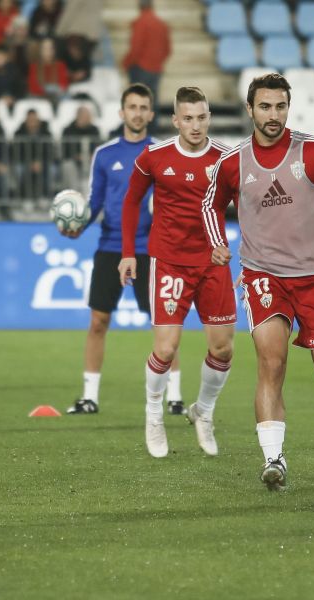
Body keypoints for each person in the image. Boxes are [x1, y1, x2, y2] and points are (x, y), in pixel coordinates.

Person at [201, 73, 314, 491]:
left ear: (288, 107)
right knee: (272, 362)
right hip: (262, 275)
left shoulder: (313, 151)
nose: (273, 115)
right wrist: (218, 244)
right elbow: (210, 205)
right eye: (265, 107)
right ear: (250, 109)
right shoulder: (233, 162)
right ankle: (274, 460)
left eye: (280, 106)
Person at [119, 87, 234, 458]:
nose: (195, 125)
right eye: (188, 118)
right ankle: (153, 415)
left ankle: (203, 411)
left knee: (223, 348)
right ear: (175, 120)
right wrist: (128, 253)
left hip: (213, 264)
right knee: (166, 348)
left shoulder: (225, 160)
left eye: (202, 117)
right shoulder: (154, 157)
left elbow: (246, 207)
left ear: (209, 118)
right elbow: (132, 201)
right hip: (169, 262)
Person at [64, 83, 183, 415]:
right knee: (98, 321)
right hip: (110, 247)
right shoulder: (105, 155)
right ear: (122, 112)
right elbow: (95, 202)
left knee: (163, 323)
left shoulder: (162, 152)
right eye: (132, 107)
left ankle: (174, 397)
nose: (138, 113)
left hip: (150, 250)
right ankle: (90, 397)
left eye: (144, 107)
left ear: (150, 113)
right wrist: (77, 227)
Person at [121, 1, 170, 108]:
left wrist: (125, 63)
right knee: (152, 102)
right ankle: (153, 124)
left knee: (137, 103)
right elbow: (167, 50)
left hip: (140, 68)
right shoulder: (161, 24)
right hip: (156, 69)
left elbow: (136, 48)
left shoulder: (140, 23)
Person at [60, 105, 100, 193]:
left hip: (90, 161)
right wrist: (76, 156)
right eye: (86, 116)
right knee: (68, 165)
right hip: (73, 161)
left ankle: (93, 195)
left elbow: (99, 147)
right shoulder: (68, 130)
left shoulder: (94, 130)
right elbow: (65, 150)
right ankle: (75, 194)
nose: (89, 118)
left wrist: (91, 156)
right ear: (79, 116)